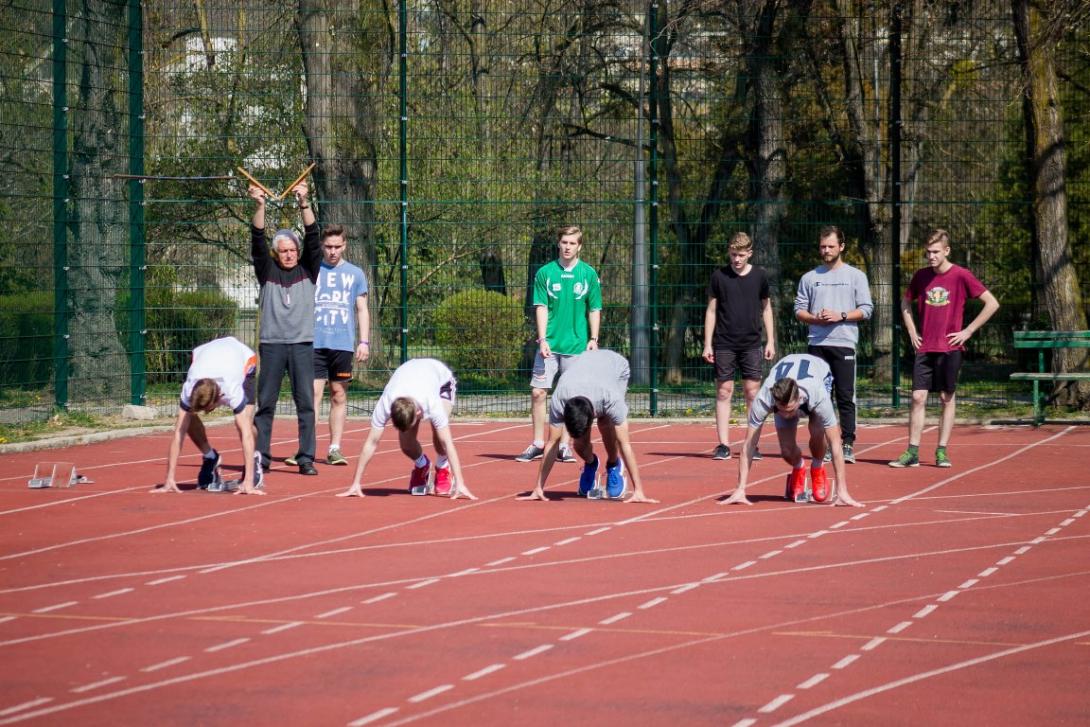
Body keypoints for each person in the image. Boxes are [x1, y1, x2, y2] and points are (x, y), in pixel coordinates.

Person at [889, 229, 1000, 468]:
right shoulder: (921, 276)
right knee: (918, 397)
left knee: (946, 397)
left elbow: (992, 303)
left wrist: (968, 331)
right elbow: (905, 300)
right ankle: (912, 451)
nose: (931, 256)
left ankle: (941, 450)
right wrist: (911, 330)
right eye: (928, 252)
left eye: (935, 252)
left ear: (946, 251)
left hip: (950, 348)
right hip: (925, 347)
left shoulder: (961, 275)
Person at [722, 353, 863, 508]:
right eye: (782, 410)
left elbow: (835, 443)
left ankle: (817, 467)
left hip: (820, 374)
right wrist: (740, 488)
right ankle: (799, 466)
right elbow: (748, 445)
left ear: (799, 398)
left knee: (817, 432)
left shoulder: (817, 394)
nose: (787, 414)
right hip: (788, 378)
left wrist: (842, 491)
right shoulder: (763, 400)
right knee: (787, 450)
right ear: (774, 401)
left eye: (790, 409)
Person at [249, 180, 322, 476]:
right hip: (273, 344)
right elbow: (256, 238)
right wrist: (260, 205)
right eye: (284, 250)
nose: (289, 254)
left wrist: (304, 202)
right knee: (265, 404)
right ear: (276, 253)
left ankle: (306, 458)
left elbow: (314, 237)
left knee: (306, 404)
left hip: (303, 344)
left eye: (293, 249)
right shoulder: (267, 271)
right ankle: (261, 457)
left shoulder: (309, 269)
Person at [519, 349, 658, 503]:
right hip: (584, 375)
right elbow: (553, 442)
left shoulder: (610, 398)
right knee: (580, 442)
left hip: (615, 367)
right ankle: (591, 463)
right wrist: (538, 487)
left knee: (606, 422)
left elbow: (624, 443)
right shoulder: (559, 400)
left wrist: (638, 490)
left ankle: (613, 464)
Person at [515, 225, 602, 464]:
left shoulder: (588, 274)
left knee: (571, 397)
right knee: (537, 392)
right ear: (559, 244)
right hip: (549, 346)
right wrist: (542, 339)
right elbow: (541, 307)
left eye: (572, 243)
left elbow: (594, 308)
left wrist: (593, 339)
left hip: (576, 346)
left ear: (579, 246)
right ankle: (538, 443)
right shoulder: (545, 273)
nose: (567, 247)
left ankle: (564, 445)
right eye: (564, 242)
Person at [338, 358, 476, 500]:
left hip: (442, 382)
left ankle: (443, 466)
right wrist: (355, 483)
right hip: (411, 377)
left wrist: (461, 483)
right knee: (406, 445)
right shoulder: (385, 403)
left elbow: (448, 443)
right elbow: (371, 442)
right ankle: (422, 464)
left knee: (439, 437)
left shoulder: (431, 403)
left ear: (417, 414)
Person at [794, 225, 873, 464]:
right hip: (817, 344)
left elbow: (866, 309)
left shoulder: (856, 276)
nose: (826, 250)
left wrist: (842, 315)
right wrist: (816, 318)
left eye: (830, 246)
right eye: (822, 247)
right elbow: (799, 310)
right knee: (818, 398)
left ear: (841, 247)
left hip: (844, 344)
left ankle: (847, 443)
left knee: (845, 396)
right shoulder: (809, 278)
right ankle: (825, 444)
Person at [153, 336, 264, 495]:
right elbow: (178, 433)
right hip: (206, 354)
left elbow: (247, 434)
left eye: (205, 410)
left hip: (244, 359)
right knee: (186, 419)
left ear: (216, 401)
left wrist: (248, 483)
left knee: (243, 423)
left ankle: (253, 460)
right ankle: (211, 456)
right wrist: (169, 478)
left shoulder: (232, 389)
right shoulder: (190, 386)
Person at [702, 232, 775, 460]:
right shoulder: (719, 277)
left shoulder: (760, 277)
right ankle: (723, 444)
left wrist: (770, 340)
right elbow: (712, 311)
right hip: (724, 343)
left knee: (753, 393)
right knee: (724, 391)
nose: (736, 259)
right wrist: (707, 344)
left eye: (741, 255)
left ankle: (752, 443)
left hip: (752, 343)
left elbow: (766, 309)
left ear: (749, 253)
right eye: (733, 254)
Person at [307, 224, 369, 466]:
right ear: (322, 246)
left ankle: (334, 448)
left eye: (337, 246)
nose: (332, 251)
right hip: (314, 343)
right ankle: (307, 448)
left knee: (338, 395)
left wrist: (364, 341)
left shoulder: (355, 274)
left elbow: (361, 309)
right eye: (328, 247)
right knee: (311, 395)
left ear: (345, 246)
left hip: (342, 344)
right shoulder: (312, 271)